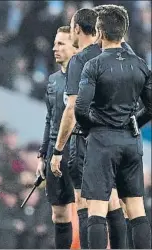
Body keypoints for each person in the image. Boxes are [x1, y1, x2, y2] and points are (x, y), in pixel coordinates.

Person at [50, 8, 133, 249]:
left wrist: (57, 150)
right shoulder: (120, 53)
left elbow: (73, 110)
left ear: (76, 29)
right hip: (119, 138)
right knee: (114, 201)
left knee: (86, 203)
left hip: (89, 140)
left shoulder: (81, 59)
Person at [74, 6, 152, 249]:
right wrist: (131, 123)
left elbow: (80, 109)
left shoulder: (94, 65)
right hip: (131, 142)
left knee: (97, 208)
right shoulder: (140, 65)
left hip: (102, 142)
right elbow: (150, 107)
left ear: (99, 31)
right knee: (136, 209)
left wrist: (94, 128)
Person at [36, 25, 77, 249]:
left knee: (87, 210)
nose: (55, 48)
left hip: (77, 151)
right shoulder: (52, 80)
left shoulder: (86, 78)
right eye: (54, 43)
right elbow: (50, 118)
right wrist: (42, 154)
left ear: (75, 46)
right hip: (54, 153)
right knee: (59, 214)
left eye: (61, 43)